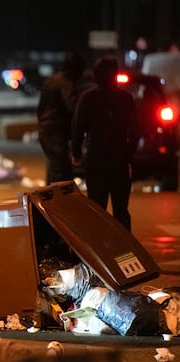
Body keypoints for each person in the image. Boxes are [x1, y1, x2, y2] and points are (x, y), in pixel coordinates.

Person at [71, 56, 139, 231]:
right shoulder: (125, 98)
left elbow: (78, 128)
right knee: (121, 210)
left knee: (96, 209)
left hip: (96, 159)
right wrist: (128, 154)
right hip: (119, 160)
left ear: (96, 75)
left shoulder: (88, 98)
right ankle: (125, 247)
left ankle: (99, 250)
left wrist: (76, 153)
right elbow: (136, 131)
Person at [37, 51, 86, 184]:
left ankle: (49, 200)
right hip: (55, 132)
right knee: (60, 172)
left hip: (46, 130)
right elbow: (73, 106)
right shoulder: (65, 82)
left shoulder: (51, 80)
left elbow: (40, 108)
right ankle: (56, 201)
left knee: (55, 168)